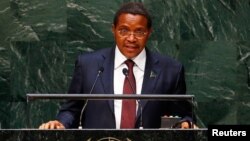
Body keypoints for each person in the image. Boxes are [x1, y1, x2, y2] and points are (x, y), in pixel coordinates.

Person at [39, 2, 196, 129]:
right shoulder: (88, 65)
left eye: (139, 32)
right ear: (113, 30)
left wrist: (185, 124)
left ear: (149, 33)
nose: (131, 38)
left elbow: (184, 115)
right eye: (124, 30)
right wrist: (60, 124)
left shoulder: (170, 70)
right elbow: (72, 110)